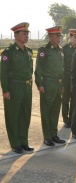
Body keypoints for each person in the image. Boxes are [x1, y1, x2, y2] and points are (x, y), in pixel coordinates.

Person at [0, 22, 34, 154]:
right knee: (13, 115)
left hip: (26, 87)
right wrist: (5, 90)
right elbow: (3, 73)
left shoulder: (29, 51)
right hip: (14, 87)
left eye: (27, 34)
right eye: (23, 33)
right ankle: (15, 143)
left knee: (25, 115)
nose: (26, 36)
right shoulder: (8, 52)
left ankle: (23, 141)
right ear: (16, 35)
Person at [35, 25, 65, 146]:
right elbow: (38, 69)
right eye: (56, 36)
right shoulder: (44, 50)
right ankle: (47, 136)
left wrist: (62, 83)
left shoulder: (60, 50)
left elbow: (61, 68)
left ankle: (54, 134)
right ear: (50, 36)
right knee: (46, 111)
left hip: (58, 84)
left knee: (55, 110)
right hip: (48, 84)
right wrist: (40, 84)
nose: (59, 38)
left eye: (60, 36)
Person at [62, 29, 76, 128]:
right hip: (66, 78)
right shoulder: (64, 49)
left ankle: (72, 118)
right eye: (75, 37)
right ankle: (66, 120)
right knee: (65, 100)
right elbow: (61, 65)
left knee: (74, 100)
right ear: (70, 37)